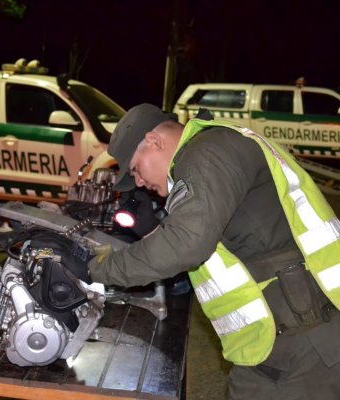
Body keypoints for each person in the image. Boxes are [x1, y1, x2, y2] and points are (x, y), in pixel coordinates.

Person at [88, 103, 340, 400]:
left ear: (154, 142)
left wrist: (96, 268)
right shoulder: (211, 150)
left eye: (135, 171)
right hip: (286, 336)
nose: (140, 183)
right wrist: (153, 231)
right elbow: (211, 248)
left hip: (302, 340)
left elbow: (187, 245)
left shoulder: (207, 152)